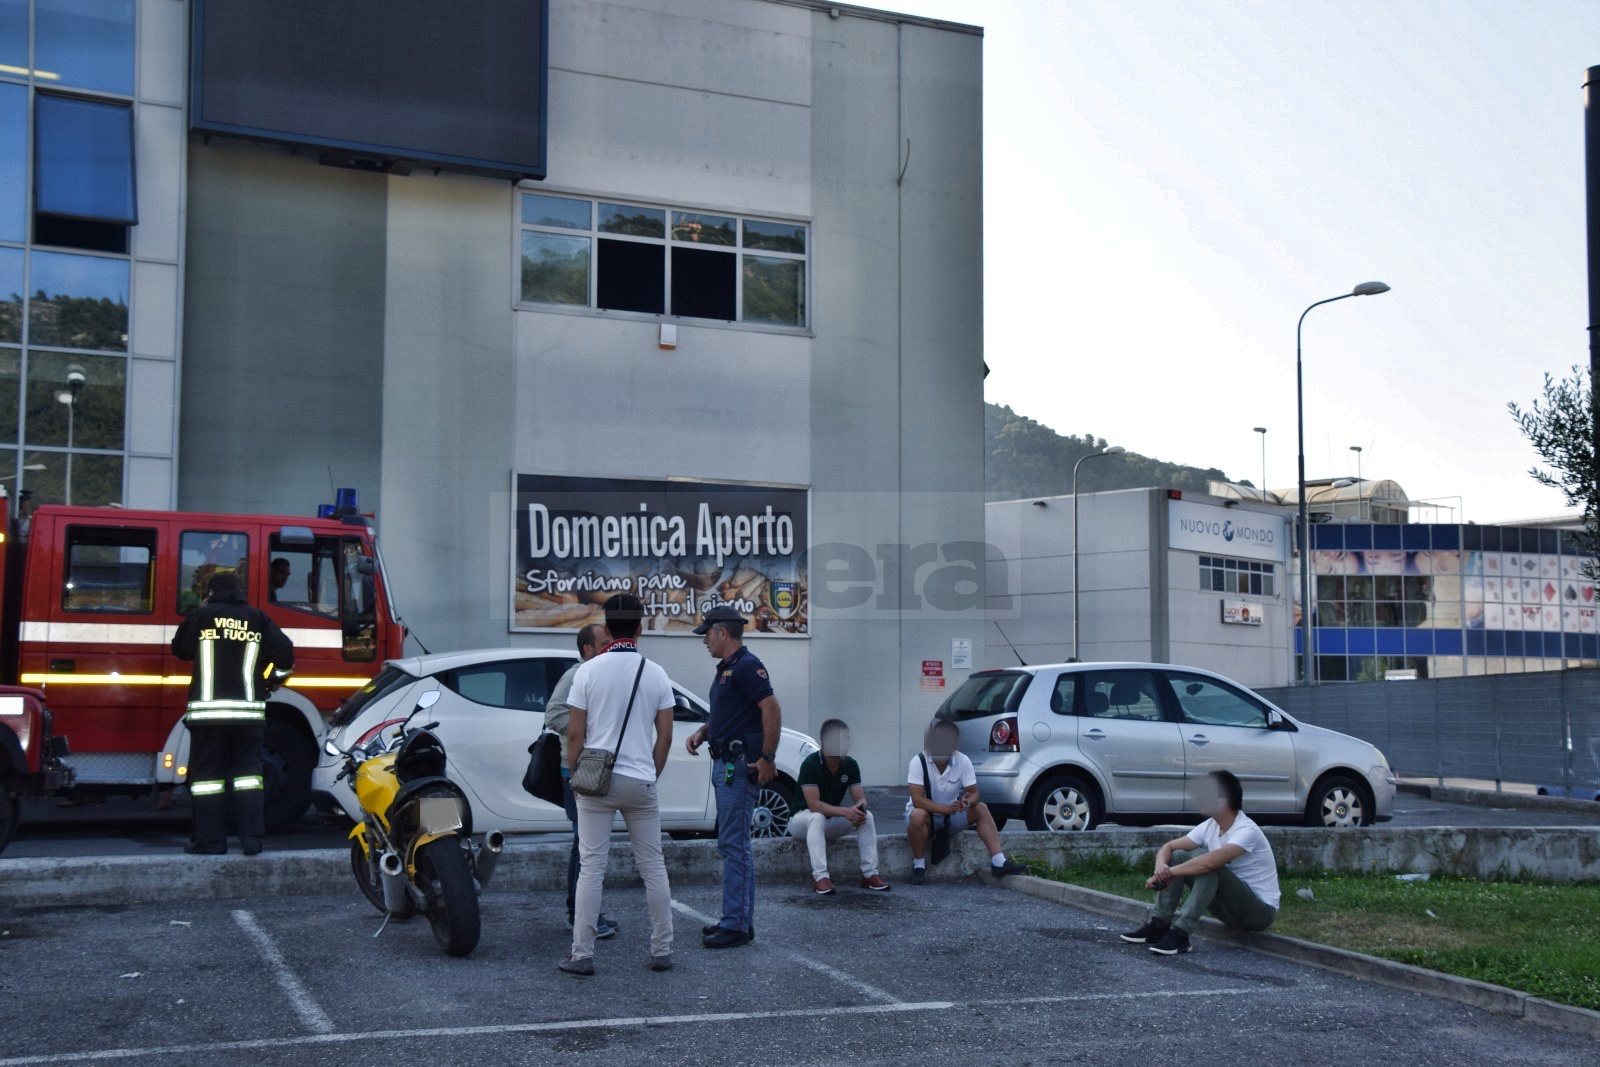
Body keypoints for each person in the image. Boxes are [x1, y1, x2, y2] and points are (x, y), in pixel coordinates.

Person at [558, 594, 677, 977]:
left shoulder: (587, 672)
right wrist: (651, 774)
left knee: (592, 867)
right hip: (641, 780)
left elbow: (574, 735)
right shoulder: (657, 673)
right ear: (640, 629)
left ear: (606, 629)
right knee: (653, 866)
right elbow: (666, 737)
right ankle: (661, 950)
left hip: (595, 783)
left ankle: (582, 955)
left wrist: (578, 778)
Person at [170, 572, 295, 855]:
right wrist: (270, 681)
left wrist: (201, 615)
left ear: (211, 592)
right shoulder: (257, 618)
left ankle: (210, 841)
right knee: (249, 775)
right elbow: (286, 654)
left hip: (208, 715)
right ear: (239, 591)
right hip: (248, 715)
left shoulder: (203, 617)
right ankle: (252, 840)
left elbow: (180, 650)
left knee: (207, 779)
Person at [685, 604, 781, 949]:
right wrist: (704, 731)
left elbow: (770, 708)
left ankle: (736, 925)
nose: (704, 641)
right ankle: (738, 918)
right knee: (733, 844)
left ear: (721, 632)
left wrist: (768, 757)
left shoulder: (747, 666)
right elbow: (732, 714)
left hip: (738, 768)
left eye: (707, 634)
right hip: (725, 762)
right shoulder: (728, 668)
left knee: (734, 845)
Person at [1121, 769, 1281, 956]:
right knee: (1179, 855)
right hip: (1229, 909)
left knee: (1209, 866)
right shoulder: (1210, 826)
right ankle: (1160, 924)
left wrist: (1170, 873)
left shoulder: (1247, 830)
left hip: (1258, 913)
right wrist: (1160, 868)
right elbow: (1169, 847)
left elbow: (1209, 863)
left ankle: (1181, 934)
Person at [543, 621, 619, 938]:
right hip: (575, 769)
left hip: (592, 767)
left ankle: (587, 912)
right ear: (587, 649)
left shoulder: (599, 673)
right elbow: (554, 714)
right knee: (586, 845)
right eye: (603, 643)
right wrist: (588, 729)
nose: (610, 647)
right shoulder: (577, 674)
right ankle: (580, 916)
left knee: (587, 844)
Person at [905, 720, 1024, 883]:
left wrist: (967, 802)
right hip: (925, 819)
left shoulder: (963, 761)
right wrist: (945, 809)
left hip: (951, 817)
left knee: (981, 808)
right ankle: (918, 864)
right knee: (918, 815)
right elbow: (918, 800)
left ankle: (998, 861)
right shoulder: (918, 762)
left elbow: (974, 793)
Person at [788, 719, 888, 894]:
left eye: (847, 739)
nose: (844, 743)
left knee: (867, 817)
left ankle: (870, 874)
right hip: (801, 820)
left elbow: (860, 797)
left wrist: (859, 808)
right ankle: (821, 877)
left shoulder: (850, 764)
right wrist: (846, 811)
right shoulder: (811, 764)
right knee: (817, 817)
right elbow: (814, 805)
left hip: (827, 820)